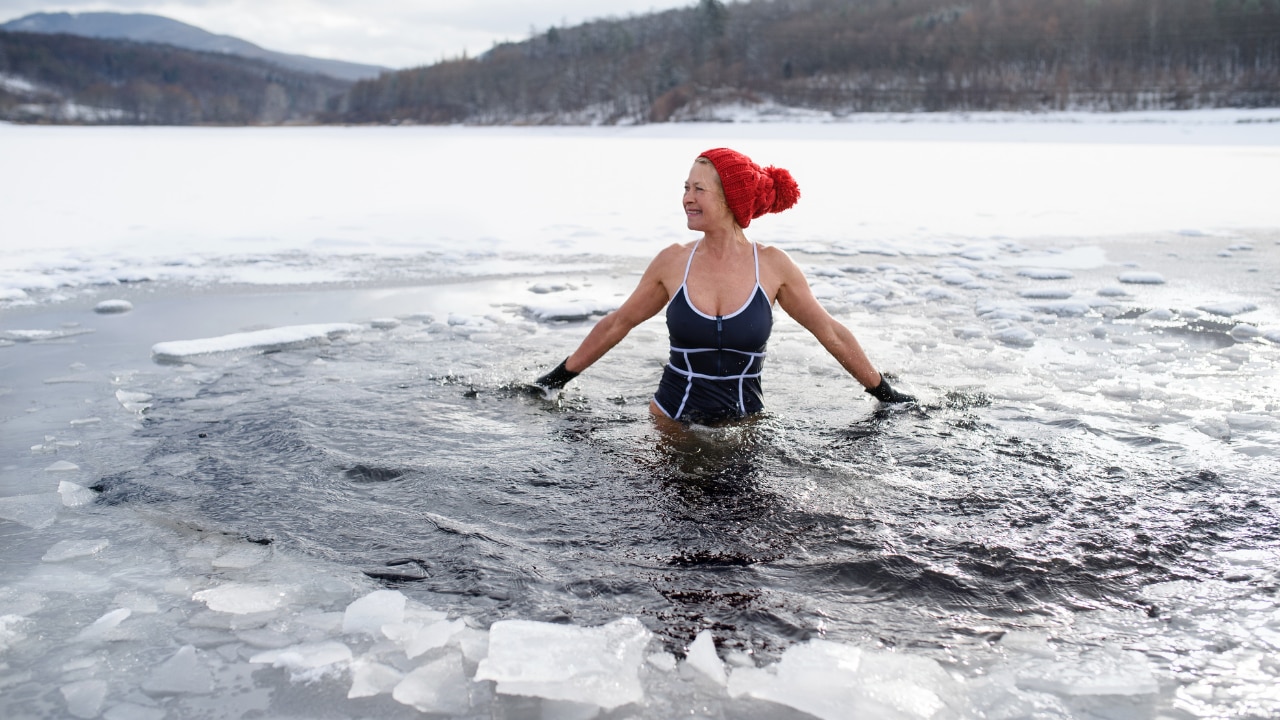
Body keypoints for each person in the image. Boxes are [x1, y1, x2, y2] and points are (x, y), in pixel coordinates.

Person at [534, 147, 914, 424]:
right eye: (685, 187)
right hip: (671, 421)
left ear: (731, 198)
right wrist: (555, 380)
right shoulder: (673, 262)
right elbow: (618, 323)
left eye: (699, 189)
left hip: (744, 425)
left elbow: (828, 331)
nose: (687, 198)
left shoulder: (772, 266)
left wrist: (884, 393)